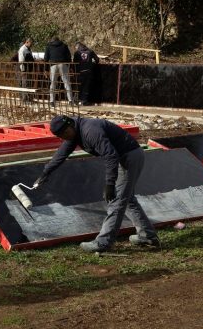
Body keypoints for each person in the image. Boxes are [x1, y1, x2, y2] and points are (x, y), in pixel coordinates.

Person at [33, 115, 159, 252]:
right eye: (60, 136)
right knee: (127, 199)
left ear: (70, 125)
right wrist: (45, 174)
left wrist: (110, 184)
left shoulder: (90, 131)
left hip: (129, 157)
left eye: (64, 134)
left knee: (116, 201)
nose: (63, 138)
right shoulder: (73, 132)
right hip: (124, 156)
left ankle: (103, 243)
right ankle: (147, 235)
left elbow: (111, 156)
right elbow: (61, 154)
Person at [44, 36, 73, 105]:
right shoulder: (64, 45)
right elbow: (69, 57)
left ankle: (52, 101)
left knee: (53, 83)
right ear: (58, 40)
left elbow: (46, 58)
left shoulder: (49, 46)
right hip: (63, 64)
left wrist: (46, 69)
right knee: (66, 82)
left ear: (52, 40)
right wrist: (69, 66)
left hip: (53, 65)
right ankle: (70, 100)